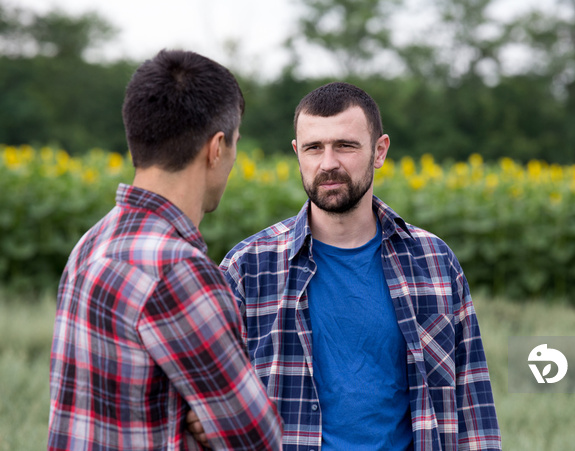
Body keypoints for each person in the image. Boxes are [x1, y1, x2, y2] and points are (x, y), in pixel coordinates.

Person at [191, 81, 501, 450]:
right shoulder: (248, 269)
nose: (328, 163)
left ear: (379, 151)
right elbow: (208, 411)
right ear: (297, 153)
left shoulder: (433, 262)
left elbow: (472, 403)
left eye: (346, 146)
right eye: (313, 148)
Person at [48, 49, 283, 450]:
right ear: (216, 148)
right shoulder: (177, 270)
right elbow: (257, 439)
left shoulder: (92, 243)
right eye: (235, 145)